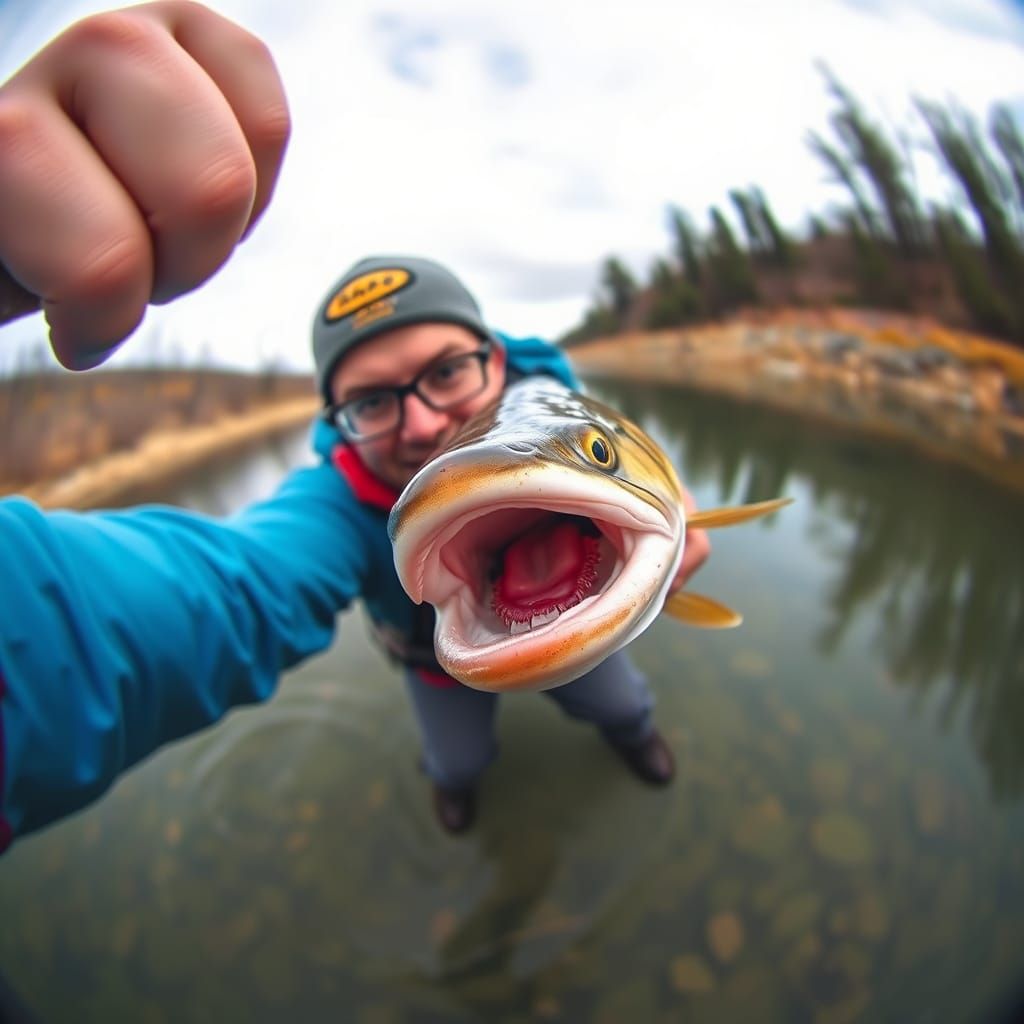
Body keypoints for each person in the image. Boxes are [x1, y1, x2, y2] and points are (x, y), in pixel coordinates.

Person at [0, 4, 710, 850]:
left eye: (446, 370)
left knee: (621, 700)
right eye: (372, 401)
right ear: (337, 419)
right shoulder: (334, 506)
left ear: (494, 358)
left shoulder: (567, 411)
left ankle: (635, 738)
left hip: (592, 613)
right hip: (439, 668)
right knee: (455, 760)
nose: (423, 422)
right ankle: (458, 790)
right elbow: (226, 596)